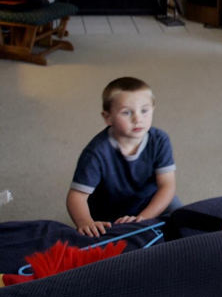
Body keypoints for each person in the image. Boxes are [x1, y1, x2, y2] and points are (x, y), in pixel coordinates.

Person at [66, 76, 180, 237]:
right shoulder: (96, 152)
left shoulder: (160, 140)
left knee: (181, 217)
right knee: (112, 246)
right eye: (126, 112)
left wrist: (144, 218)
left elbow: (167, 185)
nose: (137, 119)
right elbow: (77, 196)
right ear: (108, 117)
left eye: (145, 110)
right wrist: (85, 222)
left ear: (153, 109)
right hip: (111, 210)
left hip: (150, 200)